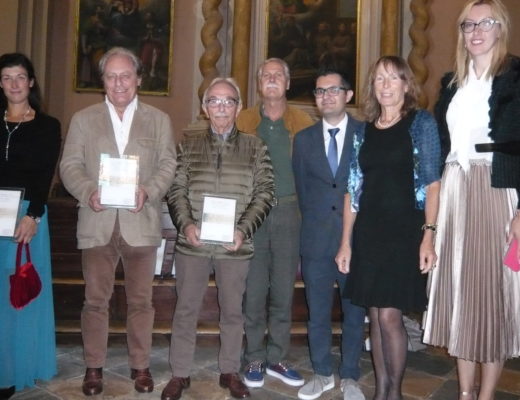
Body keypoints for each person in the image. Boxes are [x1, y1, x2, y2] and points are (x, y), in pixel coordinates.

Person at [60, 47, 176, 396]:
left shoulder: (159, 120)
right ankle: (94, 367)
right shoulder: (84, 119)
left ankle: (139, 366)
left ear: (139, 78)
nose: (119, 82)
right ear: (103, 82)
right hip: (97, 223)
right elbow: (69, 166)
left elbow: (169, 164)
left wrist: (149, 191)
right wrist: (87, 191)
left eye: (125, 75)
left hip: (141, 223)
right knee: (95, 300)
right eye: (111, 76)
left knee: (141, 301)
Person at [422, 1, 520, 399]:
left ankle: (486, 395)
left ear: (502, 28)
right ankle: (464, 393)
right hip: (455, 189)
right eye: (468, 24)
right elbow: (440, 147)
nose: (476, 31)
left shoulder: (515, 77)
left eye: (486, 23)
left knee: (490, 295)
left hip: (495, 190)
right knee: (460, 292)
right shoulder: (451, 83)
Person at [335, 55, 441, 400]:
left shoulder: (420, 123)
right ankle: (381, 391)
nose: (385, 85)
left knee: (391, 317)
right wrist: (346, 242)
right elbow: (354, 188)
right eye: (379, 79)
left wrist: (429, 235)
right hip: (368, 232)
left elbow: (432, 183)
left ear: (406, 85)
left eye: (393, 78)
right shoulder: (362, 130)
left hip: (403, 231)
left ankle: (394, 394)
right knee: (375, 315)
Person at [162, 77, 274, 400]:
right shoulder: (188, 144)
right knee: (185, 309)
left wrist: (243, 231)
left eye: (228, 101)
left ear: (239, 108)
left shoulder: (256, 147)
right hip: (193, 245)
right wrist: (186, 226)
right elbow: (176, 190)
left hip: (234, 248)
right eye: (215, 101)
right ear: (204, 107)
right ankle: (180, 373)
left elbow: (265, 193)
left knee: (233, 312)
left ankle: (229, 370)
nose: (221, 107)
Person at [236, 57, 313, 389]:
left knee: (283, 289)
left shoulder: (304, 123)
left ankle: (278, 356)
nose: (271, 79)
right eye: (265, 75)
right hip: (252, 214)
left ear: (288, 82)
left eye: (277, 75)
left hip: (288, 211)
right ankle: (254, 356)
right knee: (253, 291)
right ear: (258, 83)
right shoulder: (242, 121)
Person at [292, 68, 366, 400]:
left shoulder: (366, 135)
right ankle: (321, 372)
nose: (326, 96)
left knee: (354, 311)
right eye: (320, 92)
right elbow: (303, 191)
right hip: (316, 240)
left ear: (348, 96)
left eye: (333, 90)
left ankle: (350, 375)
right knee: (317, 312)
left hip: (357, 240)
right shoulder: (304, 140)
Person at [0, 53, 61, 398]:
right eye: (7, 77)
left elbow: (44, 174)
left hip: (27, 216)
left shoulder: (47, 125)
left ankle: (14, 369)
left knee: (18, 292)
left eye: (20, 76)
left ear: (31, 82)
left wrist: (33, 215)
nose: (14, 84)